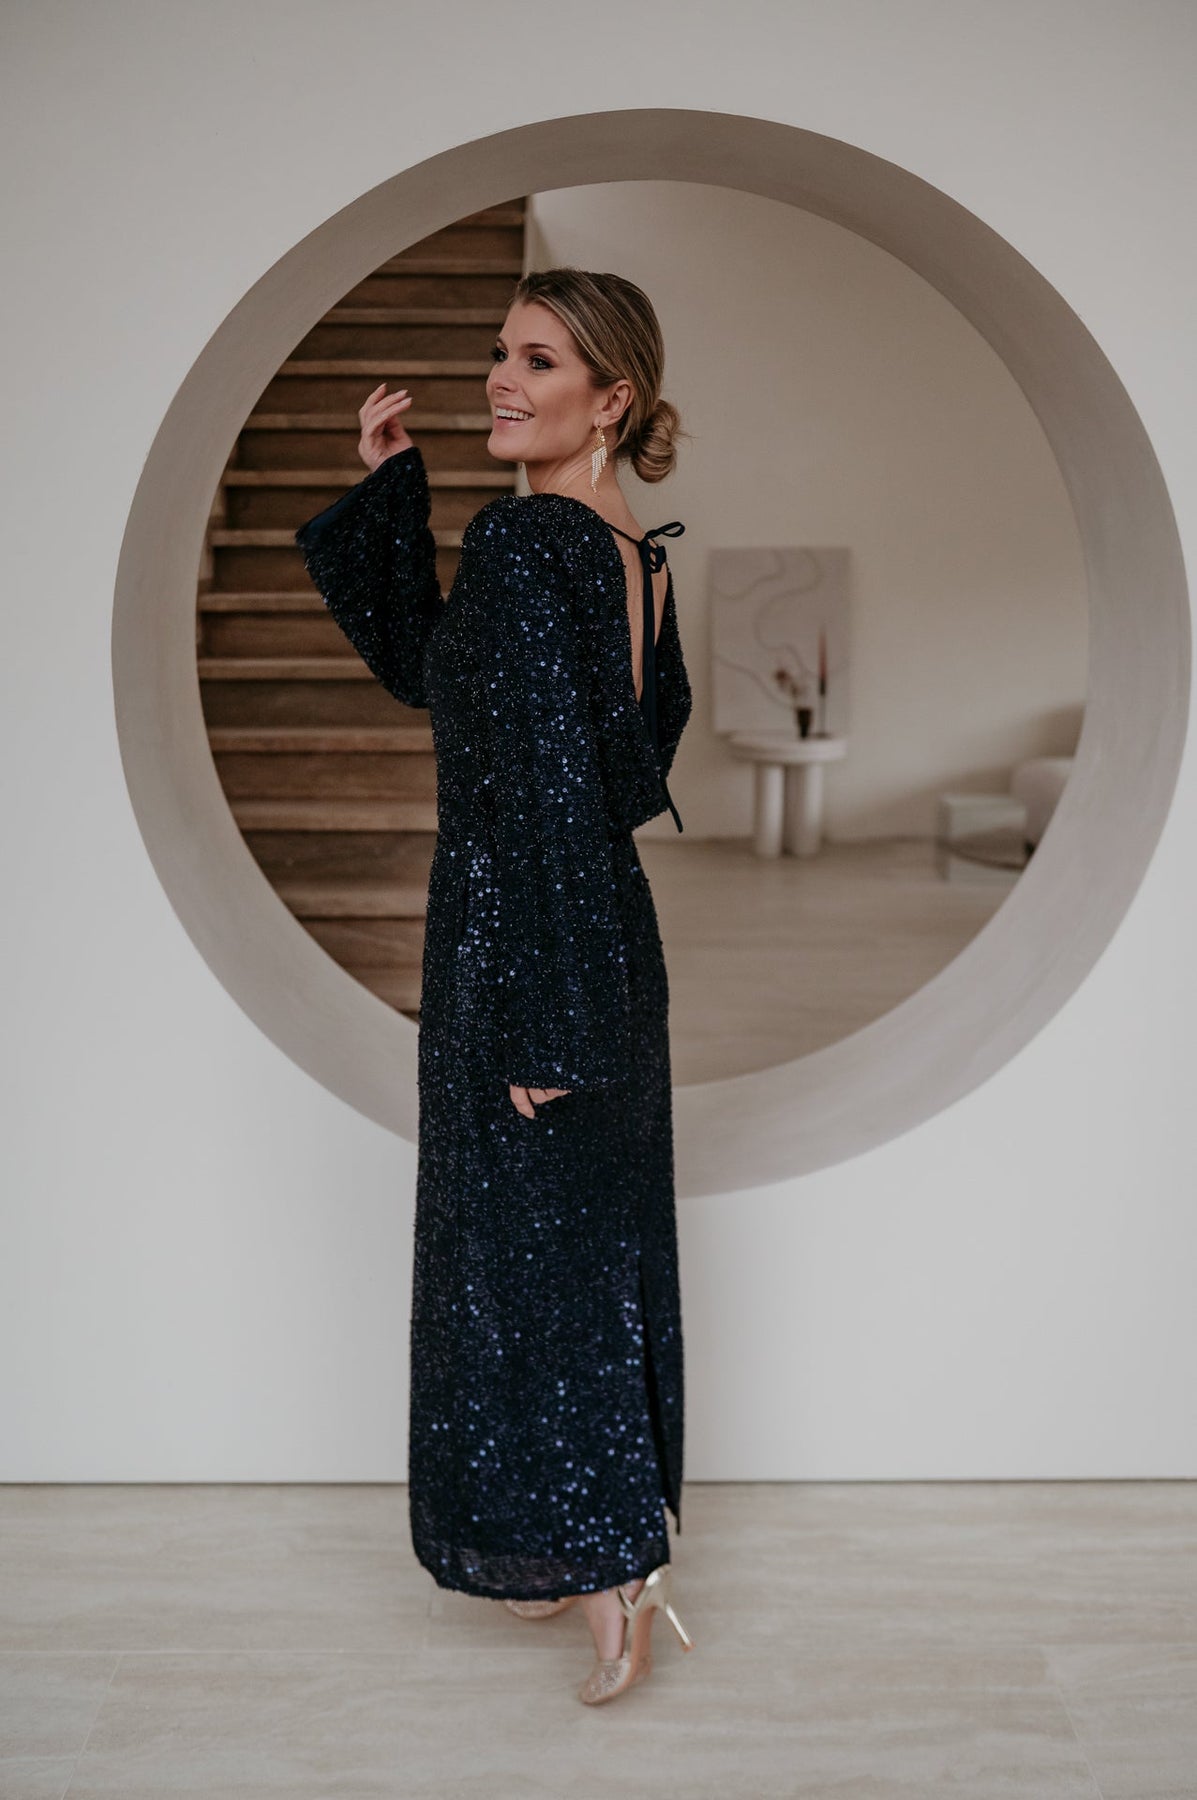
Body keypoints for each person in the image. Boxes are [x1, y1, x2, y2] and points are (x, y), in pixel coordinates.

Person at [294, 267, 695, 1705]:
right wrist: (391, 494)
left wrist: (543, 1019)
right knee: (574, 1255)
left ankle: (613, 1573)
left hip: (526, 947)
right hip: (591, 938)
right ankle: (579, 1544)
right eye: (500, 354)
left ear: (613, 397)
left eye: (539, 360)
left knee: (538, 1273)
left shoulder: (529, 542)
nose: (502, 381)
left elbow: (546, 797)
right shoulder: (633, 551)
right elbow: (454, 685)